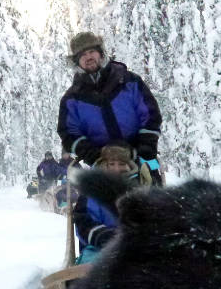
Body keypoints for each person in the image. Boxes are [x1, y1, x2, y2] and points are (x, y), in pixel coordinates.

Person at [57, 32, 163, 184]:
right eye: (83, 55)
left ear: (101, 53)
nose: (89, 57)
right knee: (89, 206)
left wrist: (145, 148)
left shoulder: (130, 81)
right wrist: (93, 156)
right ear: (76, 61)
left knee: (156, 202)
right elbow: (69, 133)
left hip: (140, 159)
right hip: (100, 166)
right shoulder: (72, 99)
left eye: (92, 51)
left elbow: (150, 116)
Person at [73, 144, 143, 264]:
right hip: (98, 249)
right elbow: (82, 221)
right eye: (112, 164)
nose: (116, 169)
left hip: (134, 249)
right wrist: (103, 236)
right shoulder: (91, 191)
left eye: (122, 164)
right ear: (104, 164)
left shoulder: (140, 189)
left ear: (129, 165)